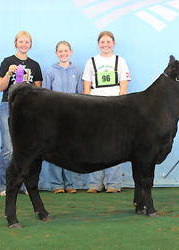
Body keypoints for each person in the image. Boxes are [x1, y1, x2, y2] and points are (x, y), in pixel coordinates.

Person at [82, 31, 131, 193]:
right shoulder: (91, 62)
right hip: (96, 106)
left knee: (116, 145)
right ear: (98, 44)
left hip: (115, 106)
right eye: (102, 42)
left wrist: (121, 107)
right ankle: (95, 184)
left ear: (113, 43)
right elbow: (86, 88)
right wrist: (87, 109)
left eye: (108, 42)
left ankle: (114, 184)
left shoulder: (120, 61)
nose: (105, 45)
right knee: (95, 145)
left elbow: (123, 87)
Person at [0, 31, 43, 196]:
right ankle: (2, 185)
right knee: (8, 148)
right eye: (21, 42)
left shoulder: (35, 65)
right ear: (16, 43)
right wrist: (9, 73)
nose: (24, 45)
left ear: (30, 45)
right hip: (8, 107)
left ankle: (22, 184)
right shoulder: (7, 62)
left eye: (27, 42)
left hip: (29, 111)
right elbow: (1, 87)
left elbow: (39, 90)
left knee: (25, 149)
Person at [43, 41, 83, 194]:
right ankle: (56, 184)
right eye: (60, 51)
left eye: (66, 51)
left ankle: (70, 184)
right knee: (54, 150)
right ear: (56, 53)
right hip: (54, 117)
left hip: (73, 117)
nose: (63, 53)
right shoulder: (50, 72)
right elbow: (45, 96)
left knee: (71, 150)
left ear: (71, 52)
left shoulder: (78, 71)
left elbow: (80, 95)